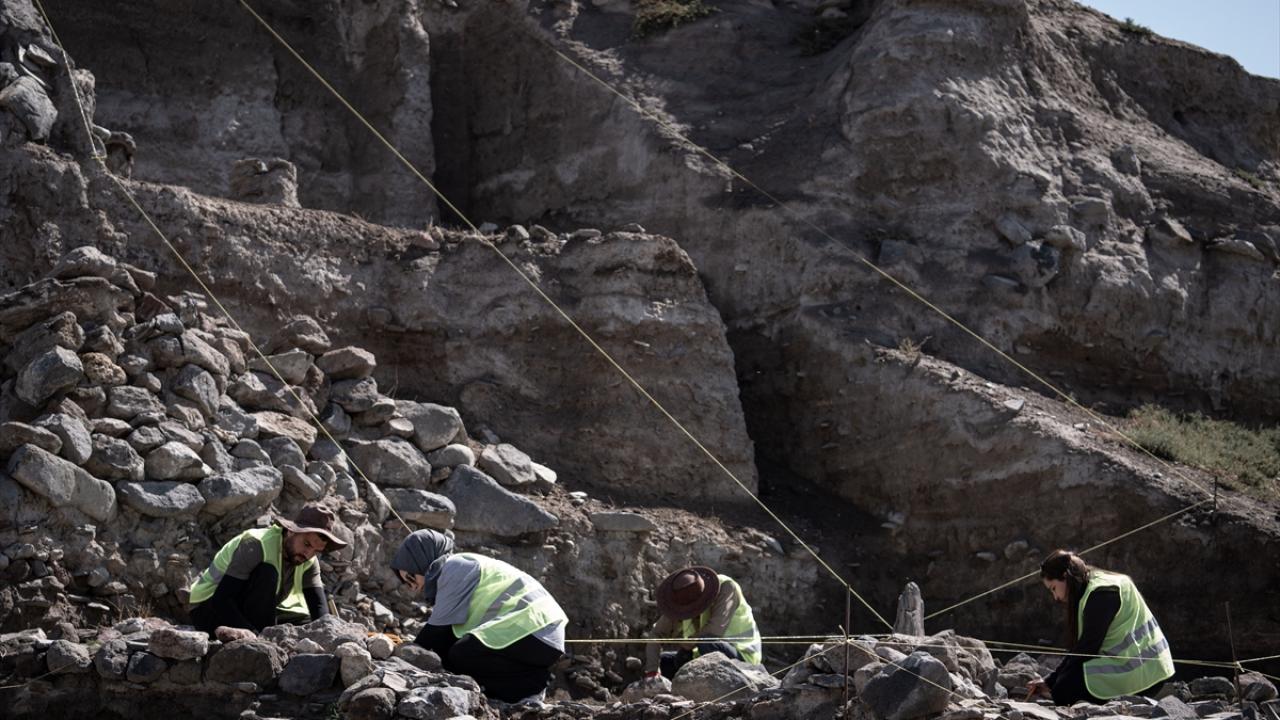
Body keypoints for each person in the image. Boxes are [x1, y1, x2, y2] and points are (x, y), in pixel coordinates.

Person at [391, 529, 567, 704]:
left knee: (462, 654)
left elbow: (434, 635)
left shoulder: (454, 566)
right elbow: (442, 640)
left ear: (421, 560)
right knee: (454, 656)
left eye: (411, 577)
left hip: (535, 628)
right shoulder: (461, 565)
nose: (412, 588)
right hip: (539, 631)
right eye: (406, 583)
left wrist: (399, 656)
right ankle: (516, 688)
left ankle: (532, 685)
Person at [1027, 549, 1174, 705]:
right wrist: (1049, 681)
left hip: (1143, 672)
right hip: (1153, 666)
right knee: (1065, 684)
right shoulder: (1097, 584)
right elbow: (1080, 648)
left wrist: (1056, 688)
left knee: (1065, 689)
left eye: (1053, 588)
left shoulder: (1101, 594)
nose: (1055, 597)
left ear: (1064, 576)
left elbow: (1087, 648)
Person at [187, 504, 348, 643]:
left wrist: (328, 638)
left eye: (316, 551)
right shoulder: (256, 544)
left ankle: (263, 634)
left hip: (250, 612)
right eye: (306, 544)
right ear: (291, 531)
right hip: (208, 608)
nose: (308, 554)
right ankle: (262, 639)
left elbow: (318, 607)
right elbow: (221, 600)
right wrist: (257, 636)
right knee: (267, 572)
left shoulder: (308, 561)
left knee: (305, 624)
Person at [640, 566, 762, 685]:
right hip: (702, 653)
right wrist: (652, 671)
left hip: (742, 656)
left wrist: (691, 642)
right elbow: (656, 634)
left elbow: (715, 630)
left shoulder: (726, 587)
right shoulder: (678, 600)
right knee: (664, 661)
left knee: (706, 642)